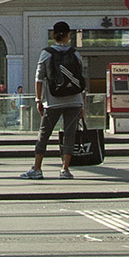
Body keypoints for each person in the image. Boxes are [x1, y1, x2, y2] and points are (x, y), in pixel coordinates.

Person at [22, 20, 86, 180]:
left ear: (53, 35)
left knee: (44, 134)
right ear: (69, 35)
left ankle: (37, 168)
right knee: (69, 135)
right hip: (74, 101)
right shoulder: (75, 53)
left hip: (53, 101)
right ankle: (65, 169)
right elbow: (81, 79)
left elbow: (39, 79)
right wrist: (82, 104)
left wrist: (38, 100)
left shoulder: (47, 53)